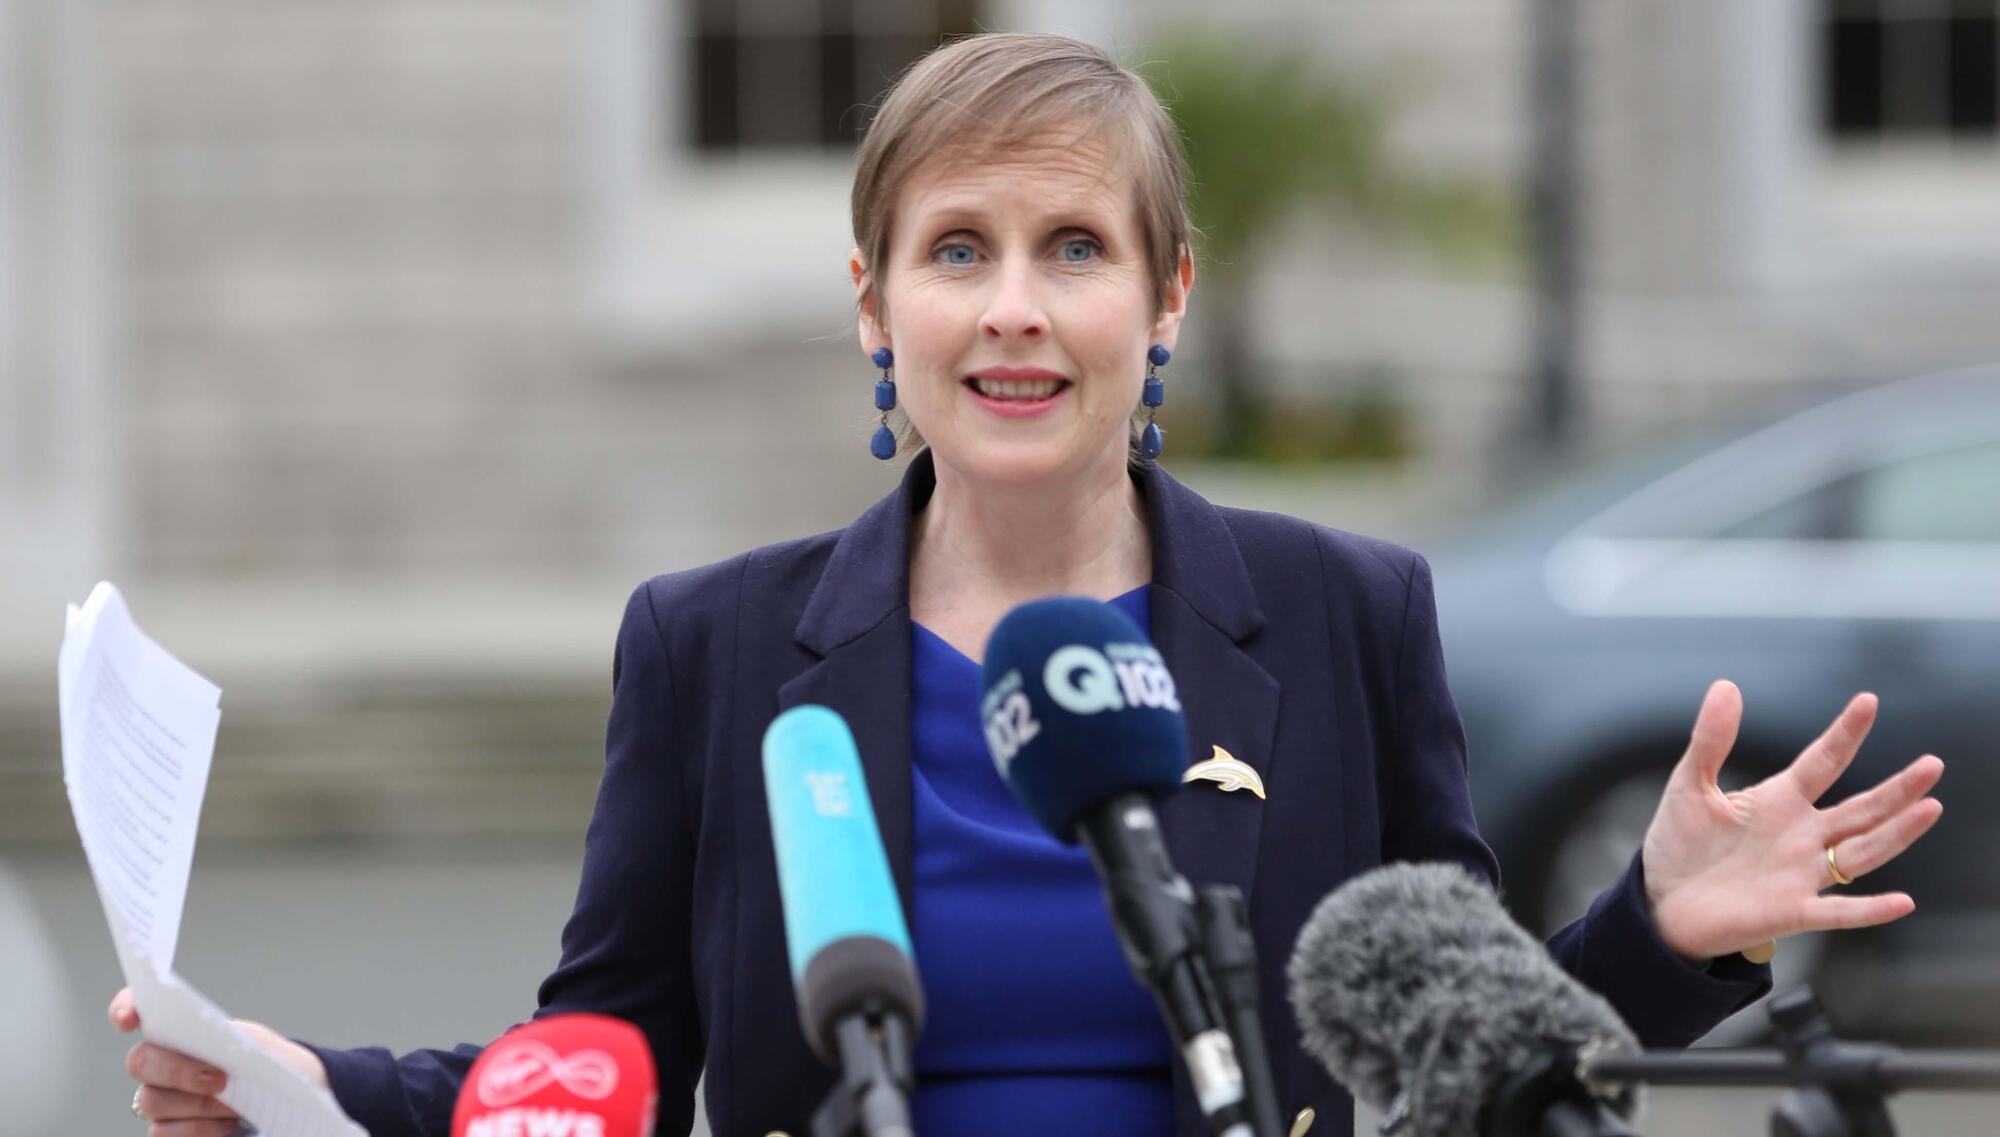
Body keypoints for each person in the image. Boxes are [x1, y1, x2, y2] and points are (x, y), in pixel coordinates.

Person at [110, 31, 1947, 1137]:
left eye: (1074, 247)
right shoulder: (714, 648)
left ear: (1166, 297)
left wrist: (1661, 929)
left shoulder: (1345, 615)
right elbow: (602, 1057)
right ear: (873, 305)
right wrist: (306, 1085)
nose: (1012, 308)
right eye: (956, 251)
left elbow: (1457, 1057)